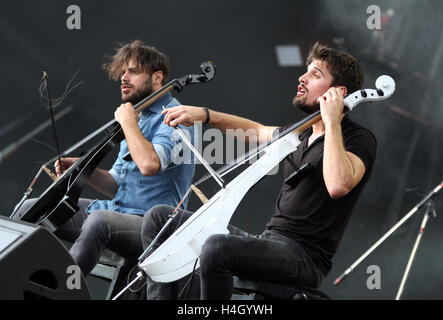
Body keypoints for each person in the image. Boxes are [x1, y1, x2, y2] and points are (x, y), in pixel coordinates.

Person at [140, 42, 377, 300]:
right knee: (160, 219)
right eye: (306, 71)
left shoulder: (358, 139)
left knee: (216, 247)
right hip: (268, 240)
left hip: (304, 258)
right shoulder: (300, 134)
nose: (302, 77)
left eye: (315, 74)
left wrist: (332, 121)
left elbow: (337, 185)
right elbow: (256, 130)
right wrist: (205, 115)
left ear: (338, 92)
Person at [13, 40, 195, 277]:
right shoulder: (136, 116)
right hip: (118, 210)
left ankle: (58, 289)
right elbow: (116, 184)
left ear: (157, 77)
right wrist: (82, 169)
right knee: (29, 209)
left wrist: (128, 123)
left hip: (154, 227)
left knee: (99, 221)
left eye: (133, 71)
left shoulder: (174, 116)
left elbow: (150, 164)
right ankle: (15, 276)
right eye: (122, 72)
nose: (124, 77)